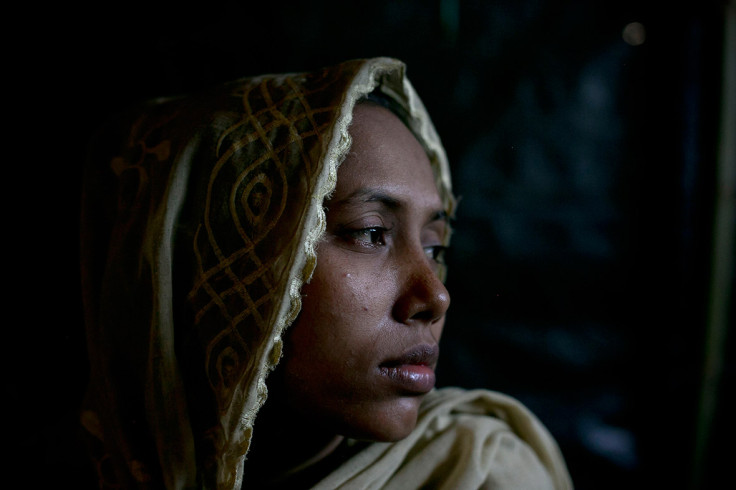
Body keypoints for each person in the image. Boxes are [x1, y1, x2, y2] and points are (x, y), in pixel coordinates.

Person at [80, 57, 573, 489]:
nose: (435, 296)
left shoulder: (478, 475)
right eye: (371, 233)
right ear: (223, 266)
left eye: (435, 246)